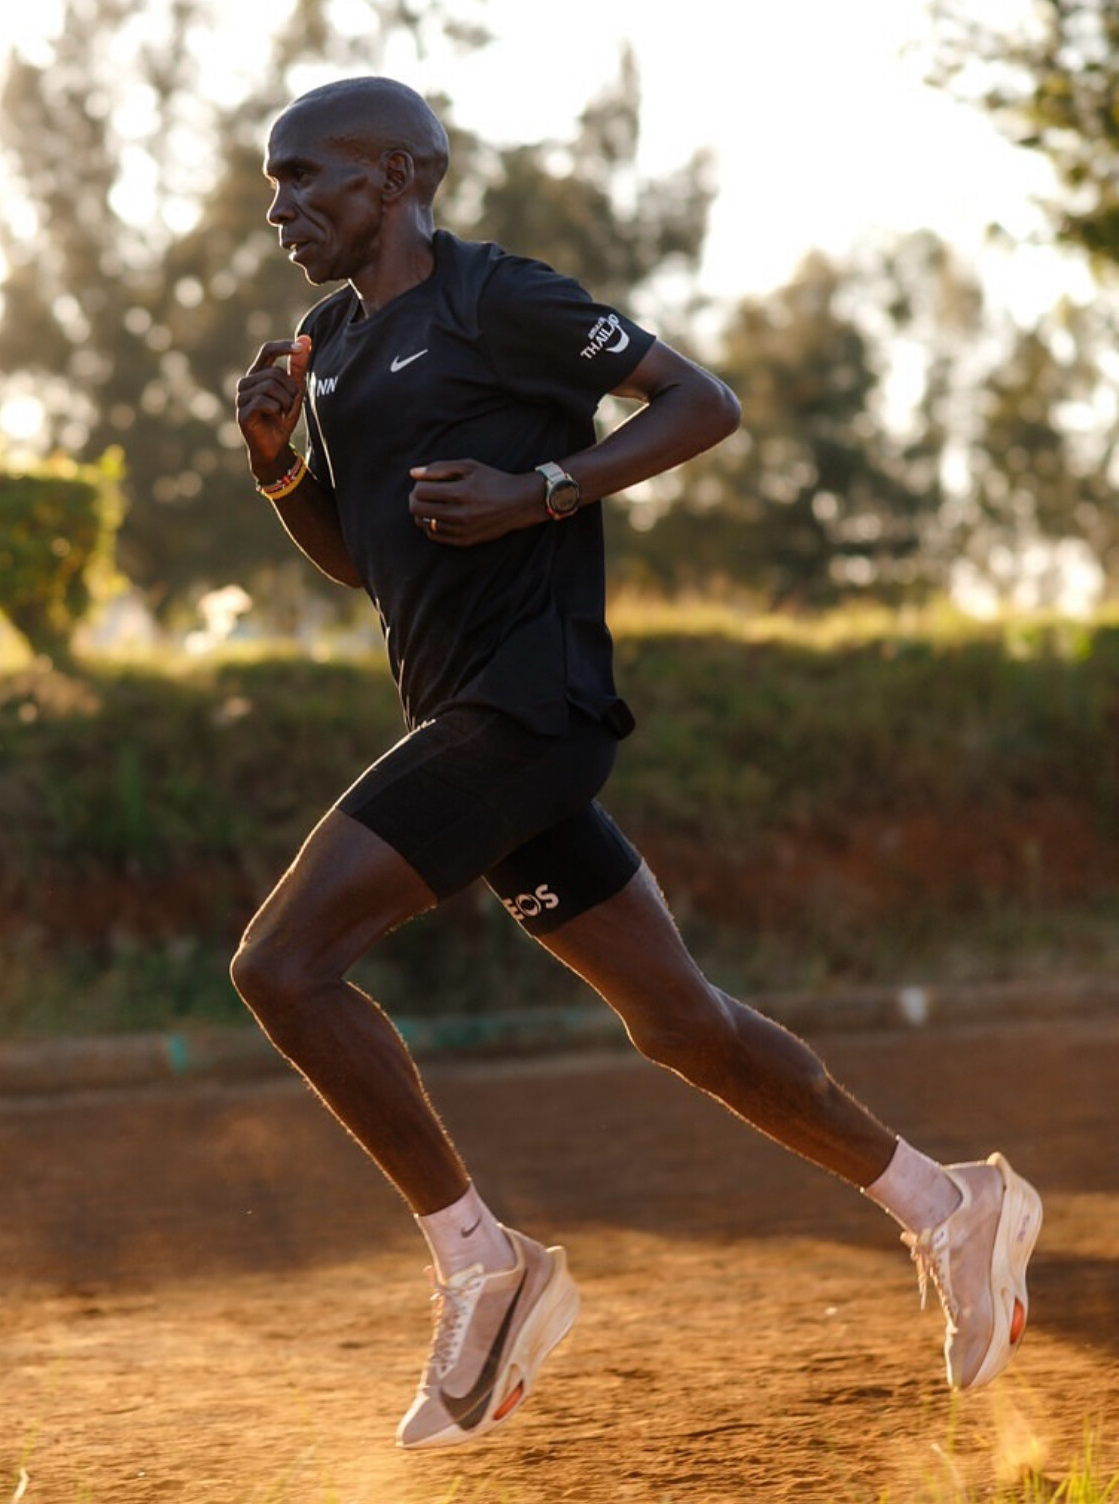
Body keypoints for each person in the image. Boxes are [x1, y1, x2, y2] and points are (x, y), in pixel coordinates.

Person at [230, 75, 1042, 1451]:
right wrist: (278, 467)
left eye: (306, 176)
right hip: (467, 719)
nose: (280, 207)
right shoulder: (335, 349)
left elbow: (701, 402)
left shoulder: (500, 299)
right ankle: (949, 1204)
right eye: (274, 183)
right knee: (681, 1026)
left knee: (282, 967)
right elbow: (370, 562)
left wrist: (544, 490)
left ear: (397, 175)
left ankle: (487, 1265)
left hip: (528, 714)